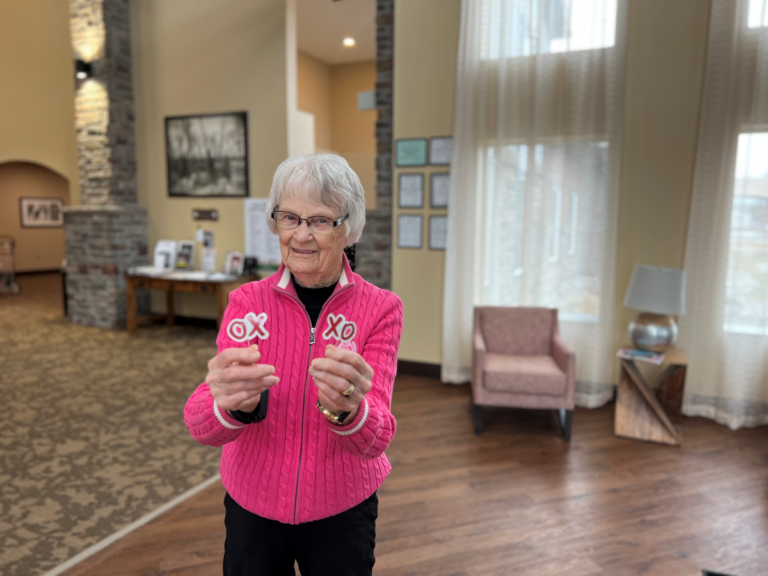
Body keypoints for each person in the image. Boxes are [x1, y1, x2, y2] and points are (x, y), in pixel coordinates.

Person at [184, 154, 403, 575]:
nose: (301, 235)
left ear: (349, 227)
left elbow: (375, 439)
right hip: (253, 507)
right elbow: (199, 422)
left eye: (320, 221)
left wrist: (349, 408)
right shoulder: (246, 302)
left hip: (342, 509)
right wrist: (233, 404)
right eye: (289, 217)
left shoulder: (381, 309)